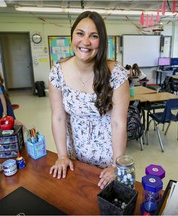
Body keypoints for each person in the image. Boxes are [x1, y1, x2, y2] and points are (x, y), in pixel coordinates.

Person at [48, 11, 129, 190]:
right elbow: (58, 118)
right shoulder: (57, 72)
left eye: (94, 36)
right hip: (72, 157)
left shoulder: (116, 74)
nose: (85, 42)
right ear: (72, 37)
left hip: (107, 159)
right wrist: (62, 156)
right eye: (80, 33)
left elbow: (118, 123)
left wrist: (116, 164)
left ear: (101, 42)